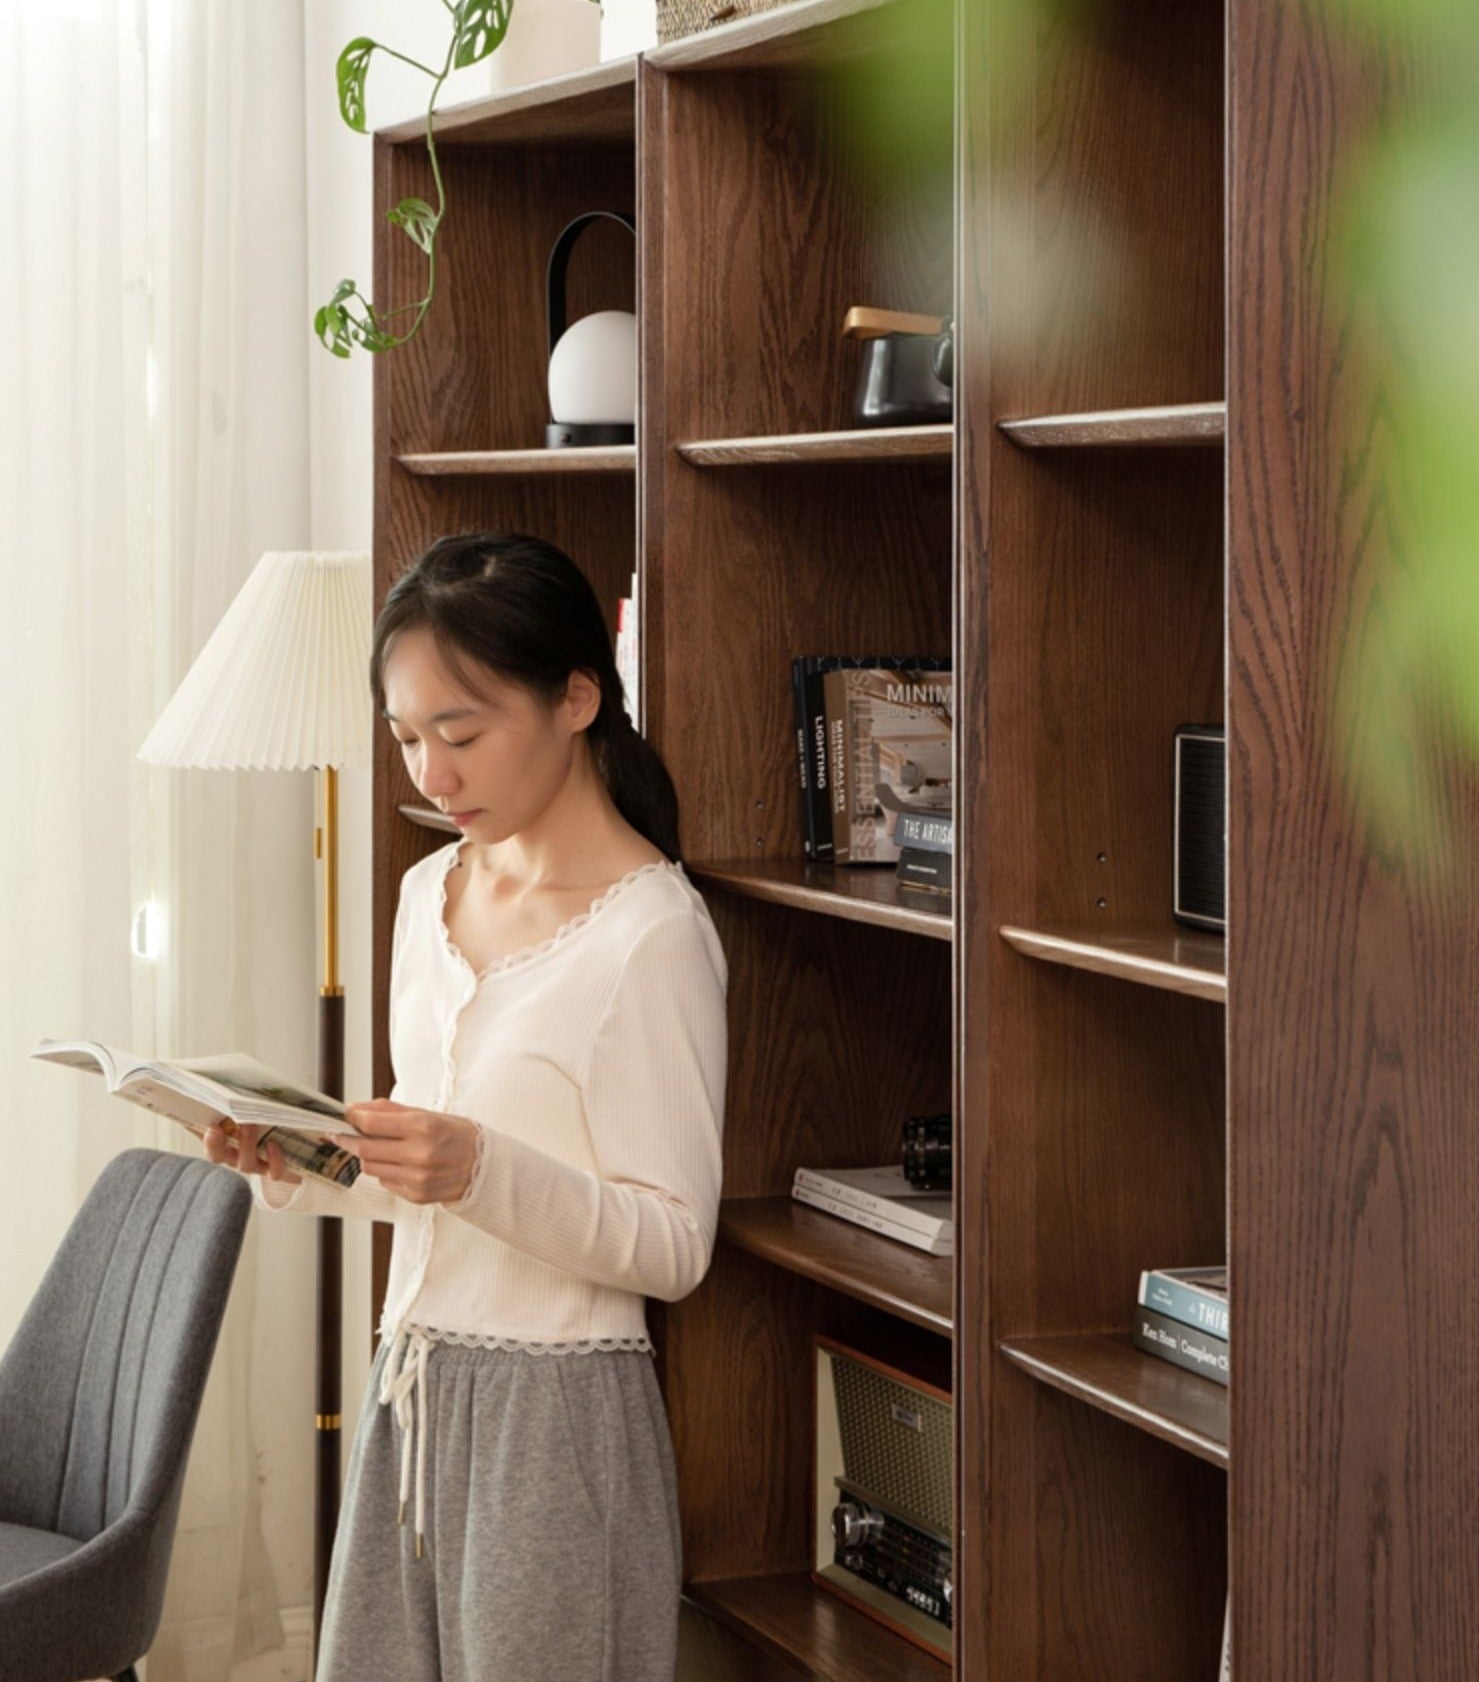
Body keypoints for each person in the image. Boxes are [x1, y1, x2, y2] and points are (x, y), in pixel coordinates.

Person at [203, 532, 728, 1682]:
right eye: (406, 737)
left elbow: (677, 1244)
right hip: (412, 1386)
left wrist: (479, 1165)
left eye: (461, 732)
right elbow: (433, 1183)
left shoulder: (653, 934)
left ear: (577, 696)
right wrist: (295, 1164)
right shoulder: (424, 889)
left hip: (562, 1422)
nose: (432, 775)